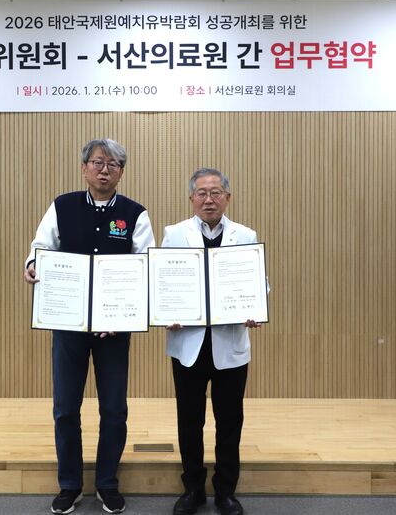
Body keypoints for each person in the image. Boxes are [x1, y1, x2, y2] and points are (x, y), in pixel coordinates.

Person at [25, 138, 155, 515]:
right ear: (84, 168)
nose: (104, 170)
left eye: (112, 164)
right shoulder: (62, 206)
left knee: (113, 409)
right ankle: (69, 485)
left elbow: (145, 267)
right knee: (66, 407)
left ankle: (107, 483)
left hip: (115, 329)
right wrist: (33, 264)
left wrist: (121, 314)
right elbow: (41, 247)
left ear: (121, 172)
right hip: (68, 325)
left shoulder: (135, 214)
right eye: (98, 162)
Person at [162, 168, 263, 515]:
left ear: (227, 198)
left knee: (229, 421)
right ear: (192, 198)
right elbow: (163, 281)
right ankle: (192, 489)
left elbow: (259, 283)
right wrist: (165, 309)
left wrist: (254, 307)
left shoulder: (245, 235)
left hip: (229, 344)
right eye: (202, 193)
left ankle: (225, 491)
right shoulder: (175, 234)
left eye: (216, 192)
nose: (209, 199)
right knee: (189, 420)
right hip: (188, 345)